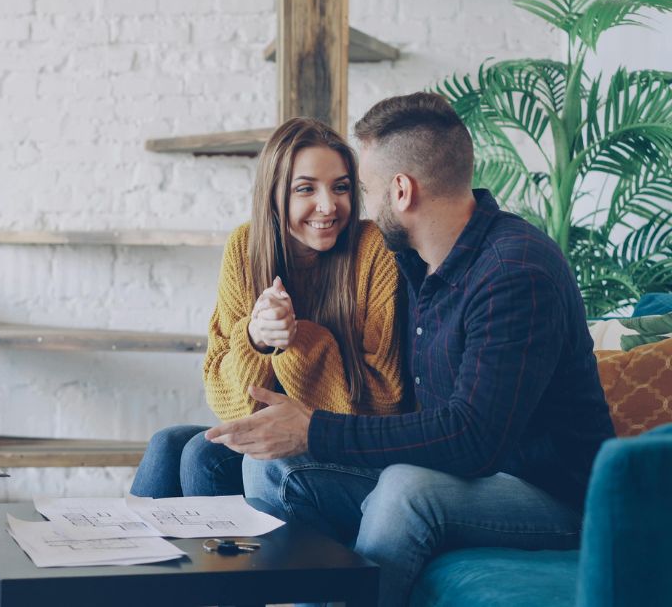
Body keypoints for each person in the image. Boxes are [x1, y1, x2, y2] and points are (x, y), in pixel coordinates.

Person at [205, 93, 616, 607]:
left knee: (406, 491)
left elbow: (472, 437)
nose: (356, 210)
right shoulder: (420, 265)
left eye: (364, 189)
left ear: (401, 190)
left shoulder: (514, 273)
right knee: (266, 465)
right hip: (470, 474)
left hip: (555, 495)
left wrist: (314, 427)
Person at [131, 117, 406, 498]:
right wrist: (256, 339)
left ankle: (228, 557)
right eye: (305, 188)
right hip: (274, 433)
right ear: (275, 194)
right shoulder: (245, 248)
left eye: (340, 187)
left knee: (201, 455)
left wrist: (296, 340)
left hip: (347, 444)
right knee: (168, 444)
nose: (328, 206)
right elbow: (224, 398)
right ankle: (138, 553)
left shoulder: (373, 249)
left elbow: (385, 401)